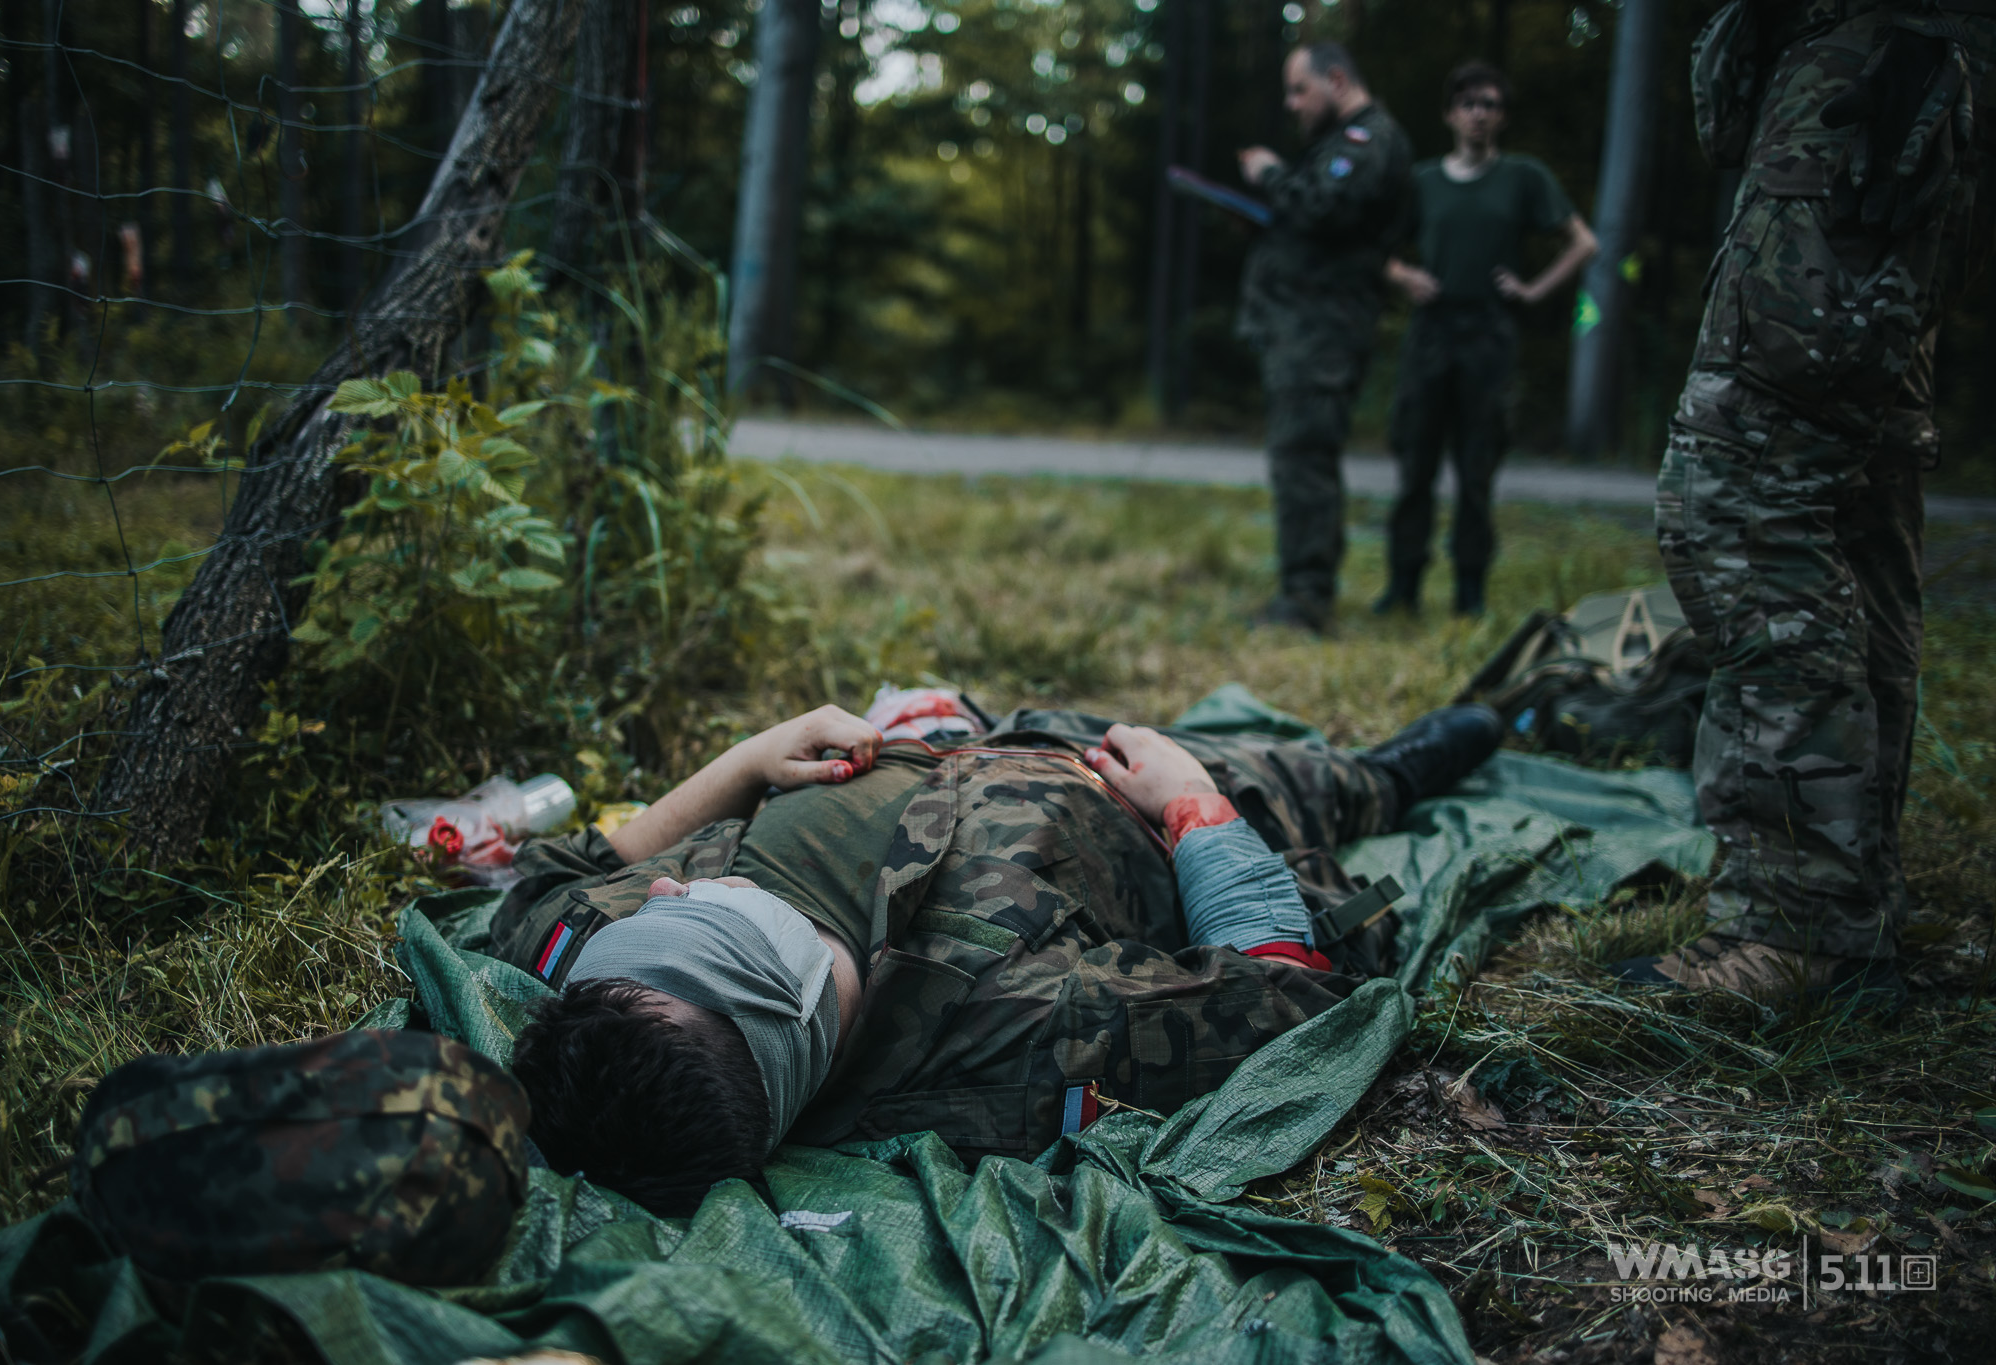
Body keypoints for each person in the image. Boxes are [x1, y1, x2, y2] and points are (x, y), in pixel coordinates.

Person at [497, 694, 1505, 1212]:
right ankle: (1393, 770)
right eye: (692, 920)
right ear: (782, 994)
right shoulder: (1026, 1026)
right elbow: (1291, 1002)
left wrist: (755, 755)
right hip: (1135, 795)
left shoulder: (589, 953)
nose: (661, 888)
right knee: (1338, 779)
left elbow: (551, 875)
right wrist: (1197, 807)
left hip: (969, 735)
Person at [1614, 3, 1993, 1004]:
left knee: (1742, 489)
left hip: (1871, 72)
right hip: (1901, 78)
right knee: (1852, 499)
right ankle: (1849, 898)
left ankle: (1799, 924)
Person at [1379, 62, 1597, 617]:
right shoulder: (1423, 181)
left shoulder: (1522, 177)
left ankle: (1469, 591)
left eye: (1491, 104)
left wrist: (1532, 290)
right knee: (1415, 465)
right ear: (1450, 113)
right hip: (1431, 332)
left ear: (1502, 117)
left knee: (1477, 469)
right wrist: (1405, 277)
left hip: (1488, 335)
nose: (1479, 114)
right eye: (1469, 103)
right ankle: (1403, 585)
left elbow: (1583, 243)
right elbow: (1377, 249)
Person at [1235, 42, 1414, 634]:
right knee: (1298, 456)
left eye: (1300, 89)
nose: (1292, 104)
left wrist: (1270, 173)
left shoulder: (1367, 140)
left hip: (1323, 333)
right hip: (1306, 329)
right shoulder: (1345, 142)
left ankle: (1306, 601)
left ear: (1336, 80)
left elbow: (1322, 209)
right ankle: (1303, 590)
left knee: (1305, 458)